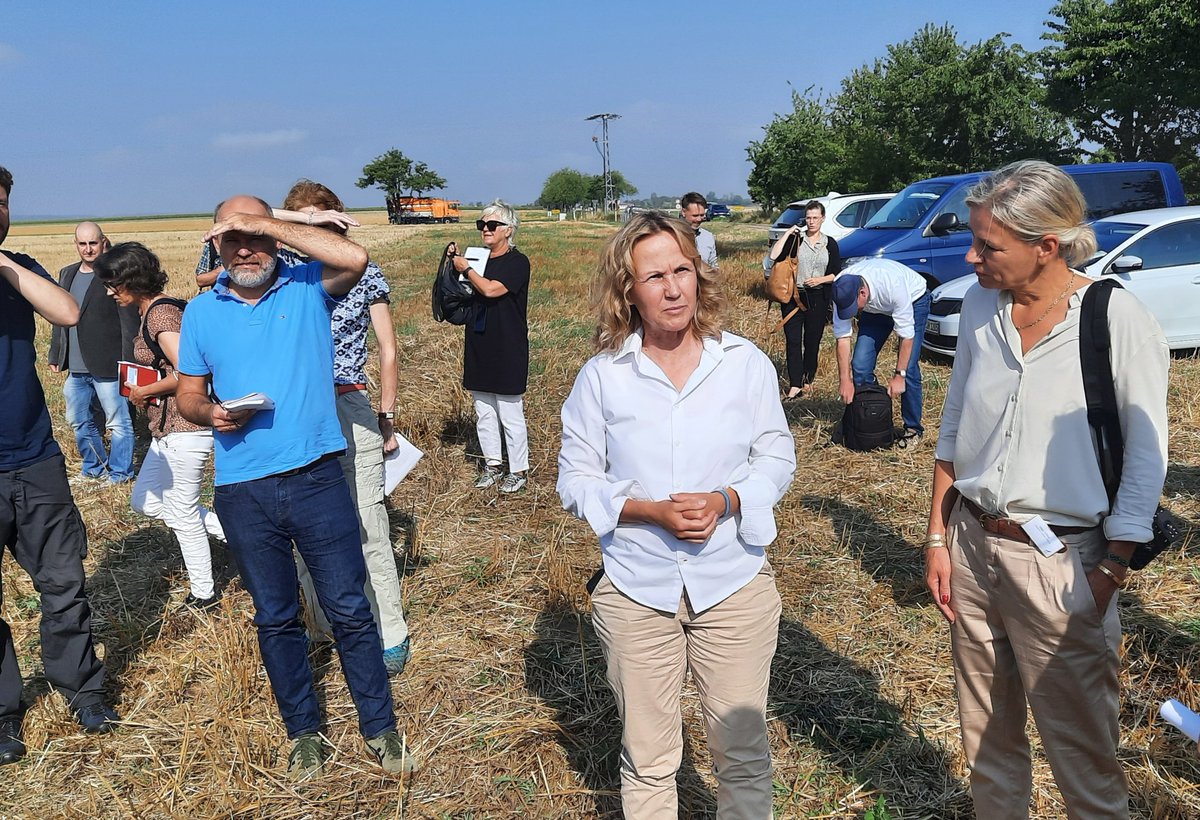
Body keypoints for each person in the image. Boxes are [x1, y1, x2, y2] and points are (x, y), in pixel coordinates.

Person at [924, 160, 1169, 818]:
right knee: (987, 742)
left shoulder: (1115, 318)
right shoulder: (980, 305)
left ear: (1047, 247)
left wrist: (1110, 571)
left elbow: (1147, 456)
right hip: (974, 546)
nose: (971, 256)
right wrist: (938, 537)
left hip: (1064, 564)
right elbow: (954, 428)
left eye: (988, 245)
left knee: (1082, 756)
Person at [557, 212, 795, 818]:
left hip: (733, 584)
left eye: (682, 270)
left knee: (742, 753)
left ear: (699, 275)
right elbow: (575, 478)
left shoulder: (743, 364)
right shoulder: (604, 377)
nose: (672, 288)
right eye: (654, 276)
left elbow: (776, 457)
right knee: (648, 757)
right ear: (627, 291)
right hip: (638, 588)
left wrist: (727, 501)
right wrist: (647, 511)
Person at [174, 195, 415, 779]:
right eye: (232, 239)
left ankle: (380, 728)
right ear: (216, 247)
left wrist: (266, 222)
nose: (247, 248)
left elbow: (354, 256)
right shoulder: (202, 312)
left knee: (350, 608)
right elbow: (187, 393)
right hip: (241, 488)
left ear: (275, 236)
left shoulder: (307, 286)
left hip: (315, 478)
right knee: (276, 616)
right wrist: (211, 413)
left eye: (254, 235)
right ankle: (304, 732)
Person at [0, 165, 121, 765]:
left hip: (36, 460)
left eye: (0, 202)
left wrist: (5, 266)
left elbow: (66, 314)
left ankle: (82, 691)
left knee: (64, 583)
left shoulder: (18, 268)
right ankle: (3, 713)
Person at [277, 179, 411, 677]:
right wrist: (297, 222)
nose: (320, 223)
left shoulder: (365, 270)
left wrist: (387, 414)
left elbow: (389, 350)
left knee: (368, 520)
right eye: (305, 217)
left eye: (327, 215)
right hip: (294, 411)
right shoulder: (283, 272)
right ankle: (320, 623)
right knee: (305, 524)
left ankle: (389, 627)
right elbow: (217, 244)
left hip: (348, 400)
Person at [94, 242, 225, 610]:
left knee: (183, 514)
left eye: (112, 284)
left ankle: (205, 593)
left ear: (131, 281)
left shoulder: (161, 316)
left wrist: (145, 390)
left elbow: (189, 371)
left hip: (186, 429)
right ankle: (240, 536)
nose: (108, 292)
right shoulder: (155, 310)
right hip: (165, 431)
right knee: (145, 500)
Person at [48, 221, 139, 482]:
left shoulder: (115, 275)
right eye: (83, 244)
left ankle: (121, 473)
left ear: (104, 242)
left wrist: (129, 363)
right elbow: (59, 315)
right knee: (78, 420)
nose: (88, 249)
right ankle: (95, 467)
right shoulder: (67, 274)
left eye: (93, 243)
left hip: (108, 364)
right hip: (76, 366)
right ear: (75, 244)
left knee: (118, 422)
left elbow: (128, 322)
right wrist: (57, 353)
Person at [451, 200, 531, 493]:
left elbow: (491, 289)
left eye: (492, 225)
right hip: (478, 339)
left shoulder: (517, 262)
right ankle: (493, 465)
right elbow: (462, 292)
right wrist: (454, 265)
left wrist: (466, 269)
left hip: (507, 343)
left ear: (509, 230)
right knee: (484, 410)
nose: (485, 229)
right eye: (481, 225)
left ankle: (519, 469)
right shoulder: (477, 258)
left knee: (510, 412)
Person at [831, 258, 930, 448]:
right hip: (875, 309)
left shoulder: (892, 284)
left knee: (908, 369)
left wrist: (898, 376)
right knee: (860, 365)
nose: (852, 313)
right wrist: (844, 379)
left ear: (862, 292)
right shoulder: (841, 288)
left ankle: (913, 429)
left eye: (853, 308)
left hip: (914, 299)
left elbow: (906, 336)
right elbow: (843, 338)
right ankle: (871, 415)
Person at [768, 200, 842, 399]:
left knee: (812, 341)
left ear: (823, 219)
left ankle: (807, 378)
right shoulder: (796, 240)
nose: (811, 222)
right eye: (808, 218)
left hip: (818, 297)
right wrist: (788, 232)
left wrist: (820, 279)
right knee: (793, 341)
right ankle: (794, 384)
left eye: (815, 218)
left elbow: (836, 273)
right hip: (793, 297)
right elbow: (774, 255)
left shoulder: (830, 243)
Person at [680, 191, 718, 269]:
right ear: (684, 212)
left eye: (702, 215)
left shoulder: (708, 237)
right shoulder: (672, 236)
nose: (699, 219)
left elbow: (713, 265)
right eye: (695, 215)